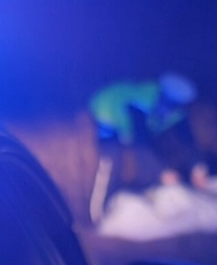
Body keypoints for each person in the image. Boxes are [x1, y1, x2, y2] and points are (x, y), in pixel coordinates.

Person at [87, 71, 210, 223]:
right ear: (163, 96)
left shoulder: (177, 110)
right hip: (109, 118)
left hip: (140, 125)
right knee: (111, 162)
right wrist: (161, 172)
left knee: (157, 157)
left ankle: (148, 206)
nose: (171, 110)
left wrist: (198, 167)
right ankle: (99, 217)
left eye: (176, 106)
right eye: (169, 104)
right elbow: (140, 143)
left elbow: (187, 140)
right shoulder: (140, 103)